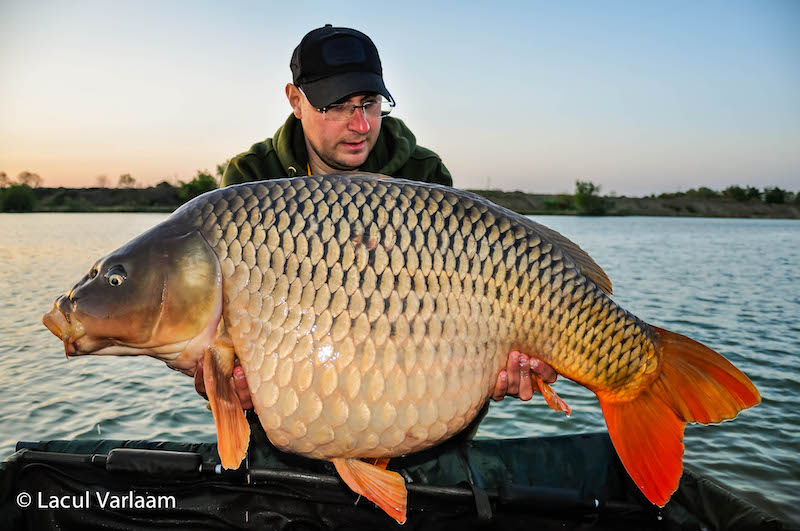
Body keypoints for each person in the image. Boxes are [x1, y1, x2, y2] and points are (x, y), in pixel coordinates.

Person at [200, 24, 557, 410]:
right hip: (295, 403)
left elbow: (453, 315)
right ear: (295, 100)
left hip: (408, 394)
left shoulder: (423, 175)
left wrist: (492, 363)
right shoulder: (251, 180)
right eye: (336, 106)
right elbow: (220, 339)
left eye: (369, 103)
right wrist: (223, 382)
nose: (361, 125)